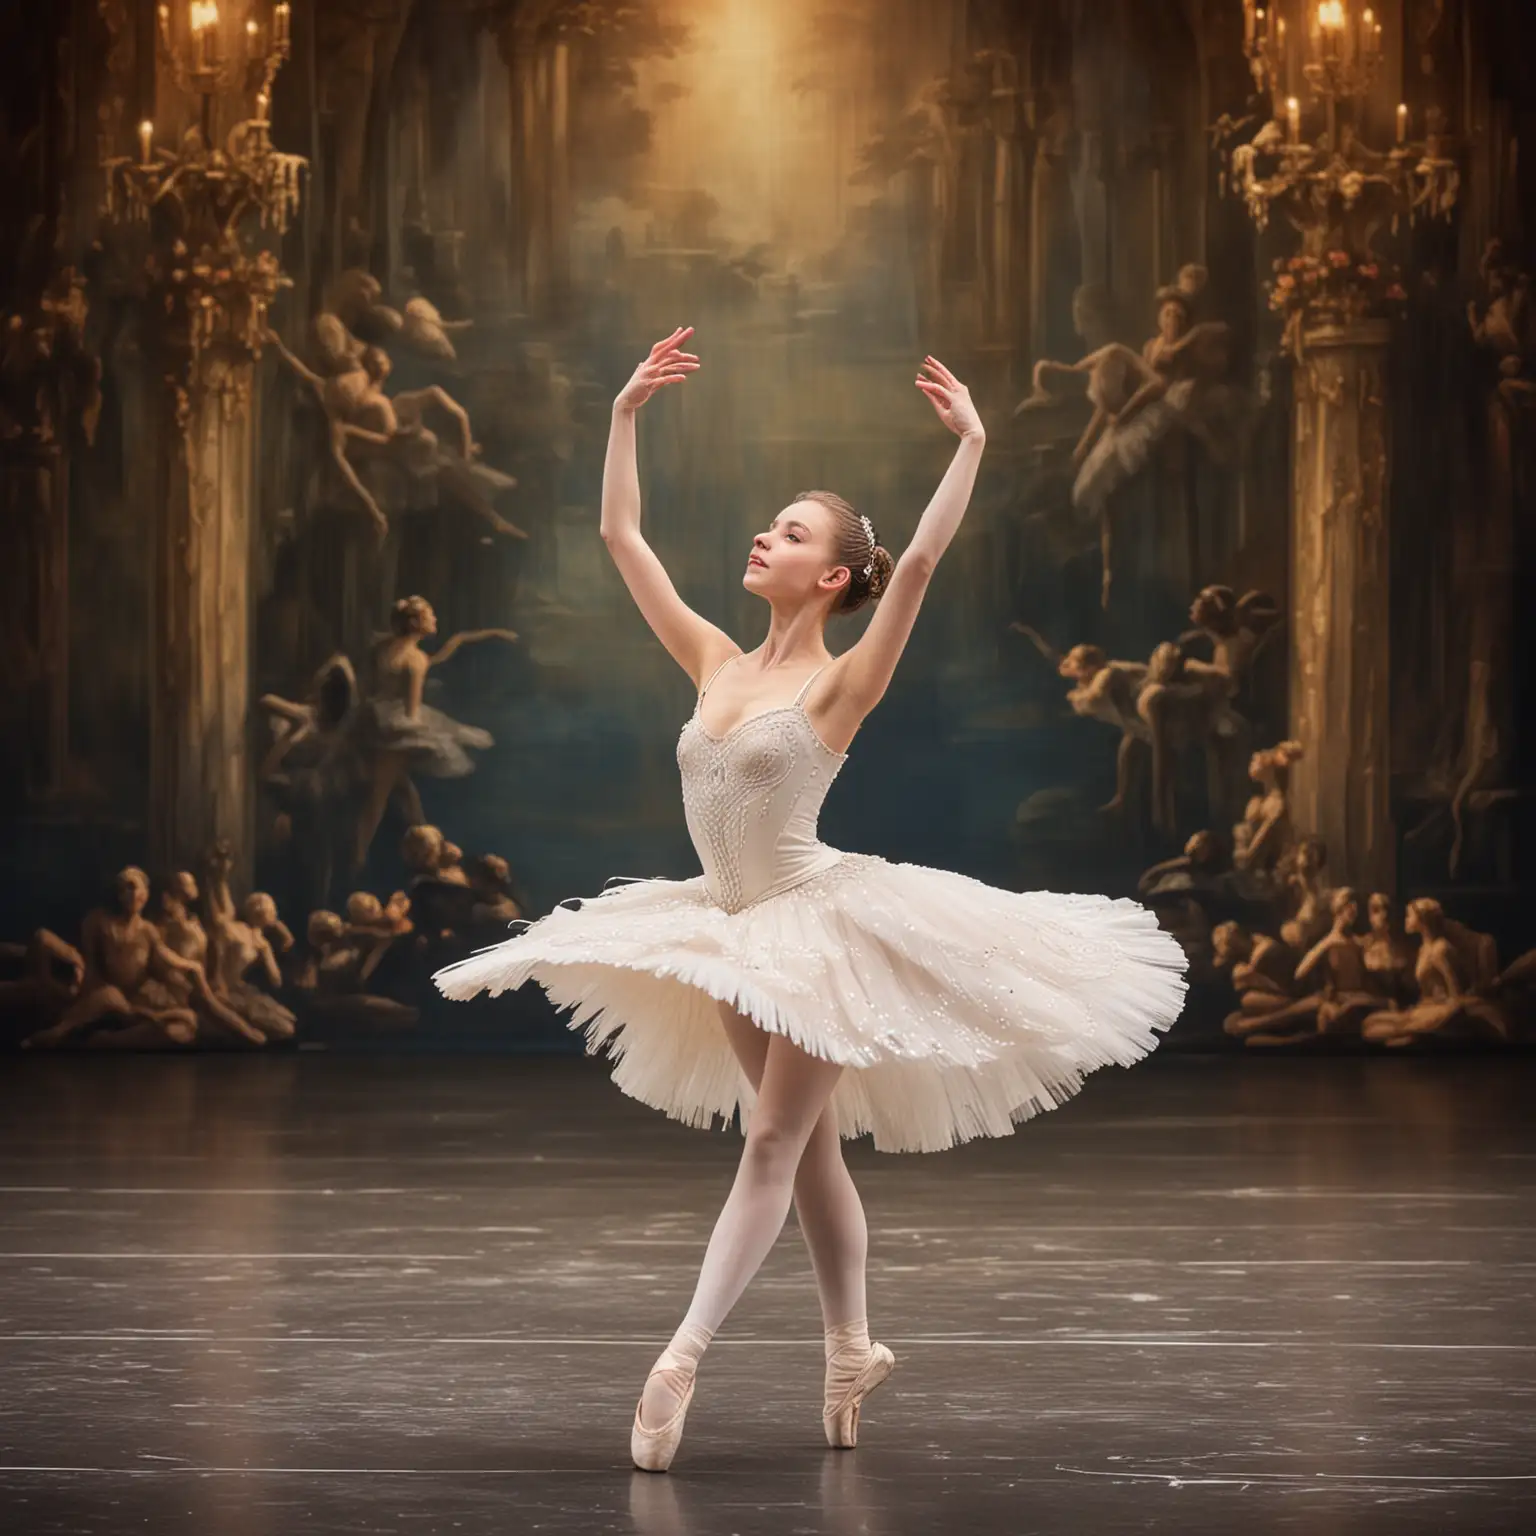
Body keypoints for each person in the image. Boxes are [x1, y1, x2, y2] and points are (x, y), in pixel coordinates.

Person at [433, 328, 1188, 1472]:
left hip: (818, 927)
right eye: (770, 523)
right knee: (810, 1142)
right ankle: (850, 1350)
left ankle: (681, 1356)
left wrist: (974, 443)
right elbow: (619, 536)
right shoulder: (715, 663)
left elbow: (920, 567)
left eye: (791, 533)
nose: (764, 535)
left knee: (778, 1136)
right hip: (732, 933)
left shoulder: (843, 684)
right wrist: (626, 412)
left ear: (832, 576)